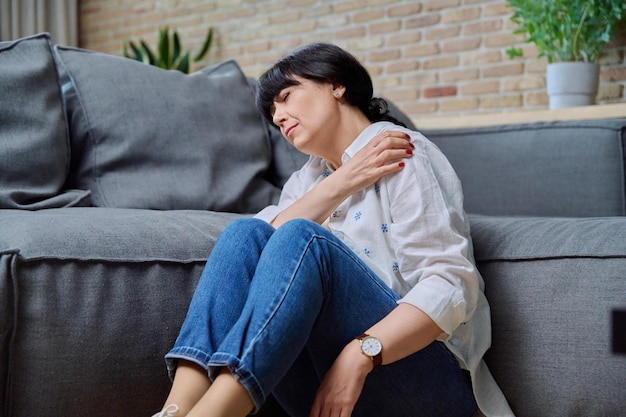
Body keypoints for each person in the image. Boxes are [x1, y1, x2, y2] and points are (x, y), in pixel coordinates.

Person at [152, 43, 513, 417]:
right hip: (325, 383)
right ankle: (176, 410)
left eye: (286, 97)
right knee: (243, 234)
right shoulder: (306, 182)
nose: (278, 116)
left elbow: (450, 283)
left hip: (421, 377)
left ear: (335, 84)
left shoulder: (401, 153)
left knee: (300, 237)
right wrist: (341, 182)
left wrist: (360, 353)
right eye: (272, 112)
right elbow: (257, 248)